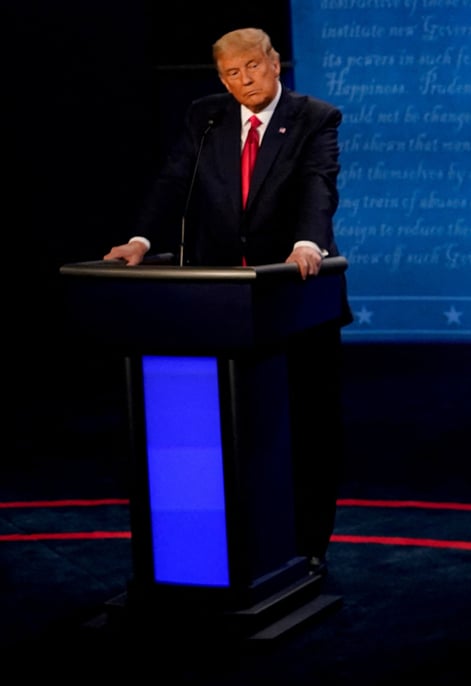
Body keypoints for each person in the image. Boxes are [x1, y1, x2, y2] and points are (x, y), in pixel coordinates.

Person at [105, 27, 349, 572]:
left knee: (307, 428)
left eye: (252, 68)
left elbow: (318, 183)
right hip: (216, 304)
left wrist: (308, 241)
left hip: (294, 296)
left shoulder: (315, 117)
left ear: (275, 63)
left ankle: (309, 545)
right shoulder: (207, 116)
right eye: (231, 73)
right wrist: (142, 240)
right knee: (231, 430)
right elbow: (173, 181)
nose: (244, 81)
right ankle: (234, 545)